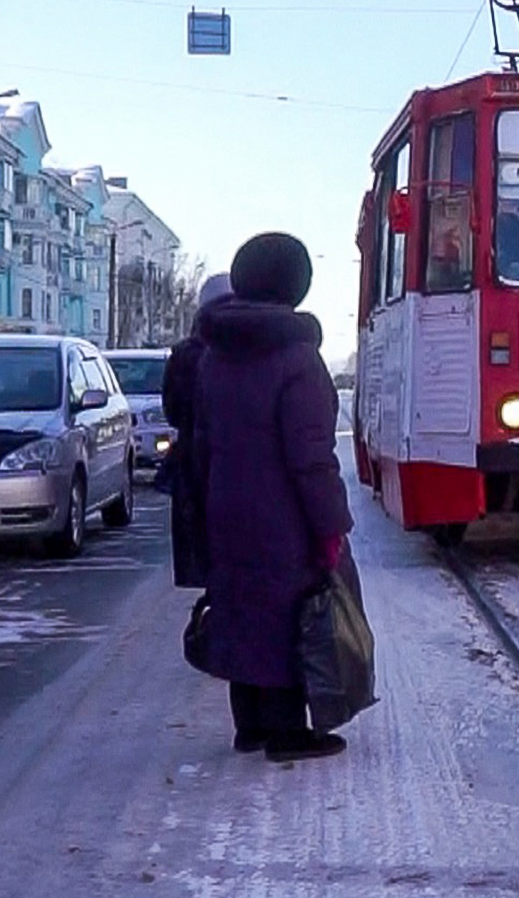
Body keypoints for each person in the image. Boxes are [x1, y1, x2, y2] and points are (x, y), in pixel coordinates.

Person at [195, 233, 355, 762]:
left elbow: (202, 442)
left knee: (242, 607)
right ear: (296, 286)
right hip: (283, 513)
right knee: (290, 612)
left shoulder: (215, 354)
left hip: (226, 505)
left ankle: (251, 726)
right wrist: (331, 525)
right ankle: (288, 732)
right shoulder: (297, 358)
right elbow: (311, 457)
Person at [160, 273, 233, 590]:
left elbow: (173, 413)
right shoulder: (250, 348)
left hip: (194, 471)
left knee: (207, 569)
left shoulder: (185, 355)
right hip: (244, 473)